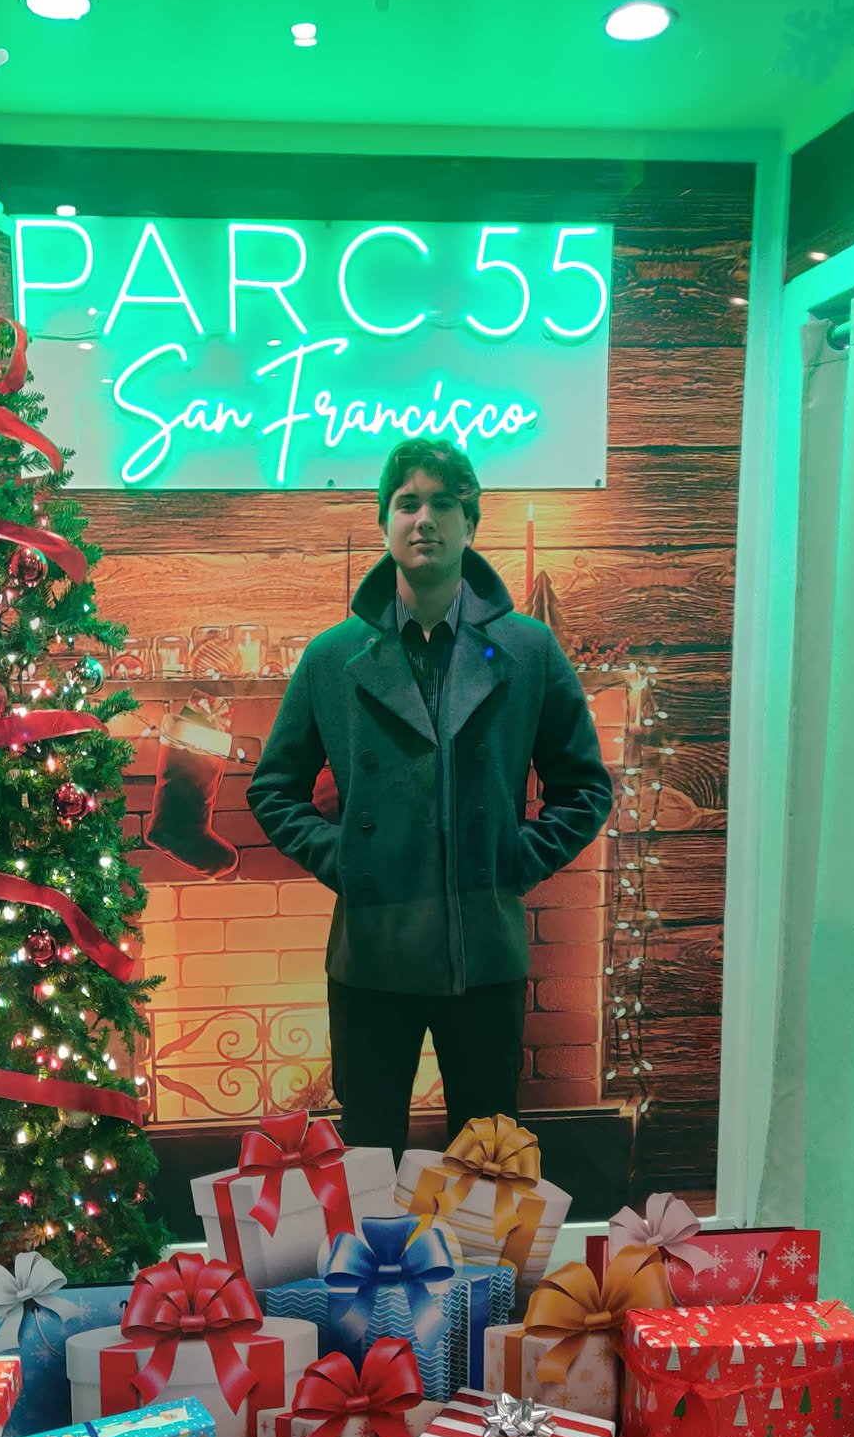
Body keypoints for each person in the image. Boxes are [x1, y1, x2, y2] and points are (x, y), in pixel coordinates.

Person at [247, 437, 613, 1157]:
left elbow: (584, 787)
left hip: (484, 950)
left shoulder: (528, 651)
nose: (425, 519)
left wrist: (514, 858)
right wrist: (345, 859)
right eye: (407, 502)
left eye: (444, 503)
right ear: (384, 521)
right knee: (368, 1155)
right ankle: (374, 1242)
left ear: (470, 523)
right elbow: (274, 788)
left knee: (487, 1156)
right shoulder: (331, 657)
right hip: (372, 951)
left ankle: (482, 1245)